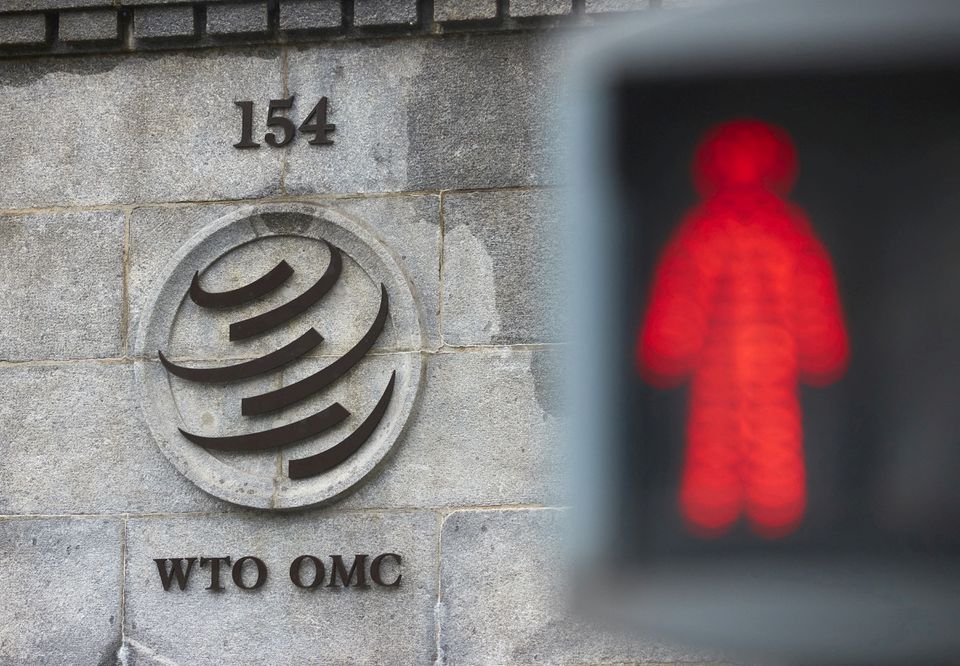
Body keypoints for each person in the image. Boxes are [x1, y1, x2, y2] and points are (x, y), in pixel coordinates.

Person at [637, 119, 849, 538]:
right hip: (718, 363)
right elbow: (681, 291)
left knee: (774, 442)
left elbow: (811, 291)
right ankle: (713, 519)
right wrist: (668, 346)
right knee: (714, 442)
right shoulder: (706, 231)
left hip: (773, 360)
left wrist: (821, 344)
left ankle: (777, 518)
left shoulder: (785, 229)